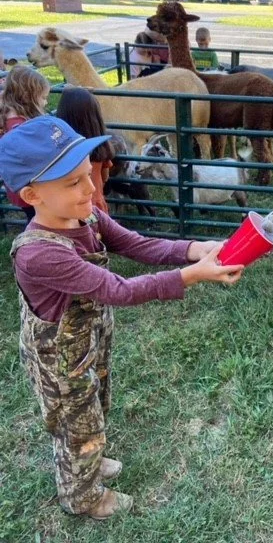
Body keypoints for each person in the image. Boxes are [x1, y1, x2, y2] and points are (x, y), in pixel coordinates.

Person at [0, 115, 244, 520]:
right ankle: (84, 497)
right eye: (73, 182)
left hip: (88, 342)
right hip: (60, 361)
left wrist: (194, 248)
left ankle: (89, 462)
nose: (91, 187)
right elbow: (119, 289)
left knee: (95, 406)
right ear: (31, 194)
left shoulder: (87, 217)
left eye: (86, 175)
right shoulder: (39, 252)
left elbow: (138, 244)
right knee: (76, 426)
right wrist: (191, 275)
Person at [0, 66, 50, 221]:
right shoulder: (20, 127)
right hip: (32, 187)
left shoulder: (7, 115)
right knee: (41, 220)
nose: (46, 101)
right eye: (42, 97)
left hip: (19, 186)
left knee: (35, 217)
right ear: (29, 96)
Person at [56, 87, 114, 214]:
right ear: (96, 117)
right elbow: (105, 176)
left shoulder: (59, 149)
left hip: (68, 206)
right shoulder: (99, 147)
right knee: (96, 233)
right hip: (95, 205)